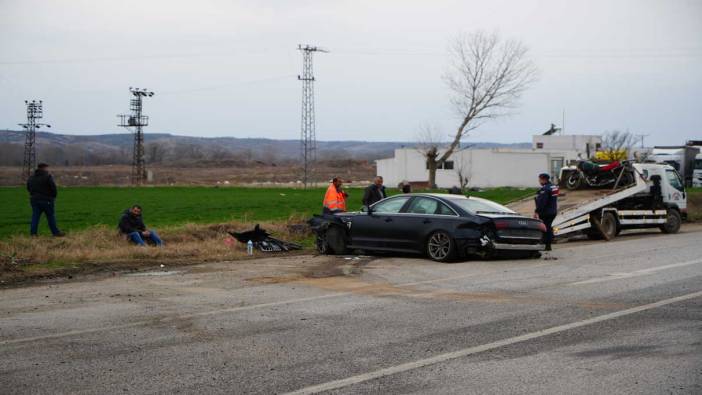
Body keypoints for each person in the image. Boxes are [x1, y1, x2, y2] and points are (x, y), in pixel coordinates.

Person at [26, 163, 64, 237]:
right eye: (47, 168)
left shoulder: (31, 177)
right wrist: (53, 197)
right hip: (47, 201)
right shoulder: (48, 177)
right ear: (44, 168)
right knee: (50, 217)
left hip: (34, 200)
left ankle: (33, 234)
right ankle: (55, 233)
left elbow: (28, 188)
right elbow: (53, 188)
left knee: (35, 217)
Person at [534, 173, 559, 251]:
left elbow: (542, 202)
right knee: (548, 227)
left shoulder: (545, 189)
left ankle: (547, 246)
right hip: (553, 211)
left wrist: (536, 211)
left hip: (546, 213)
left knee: (545, 229)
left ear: (543, 179)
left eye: (539, 179)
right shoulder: (553, 186)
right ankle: (548, 245)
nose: (539, 181)